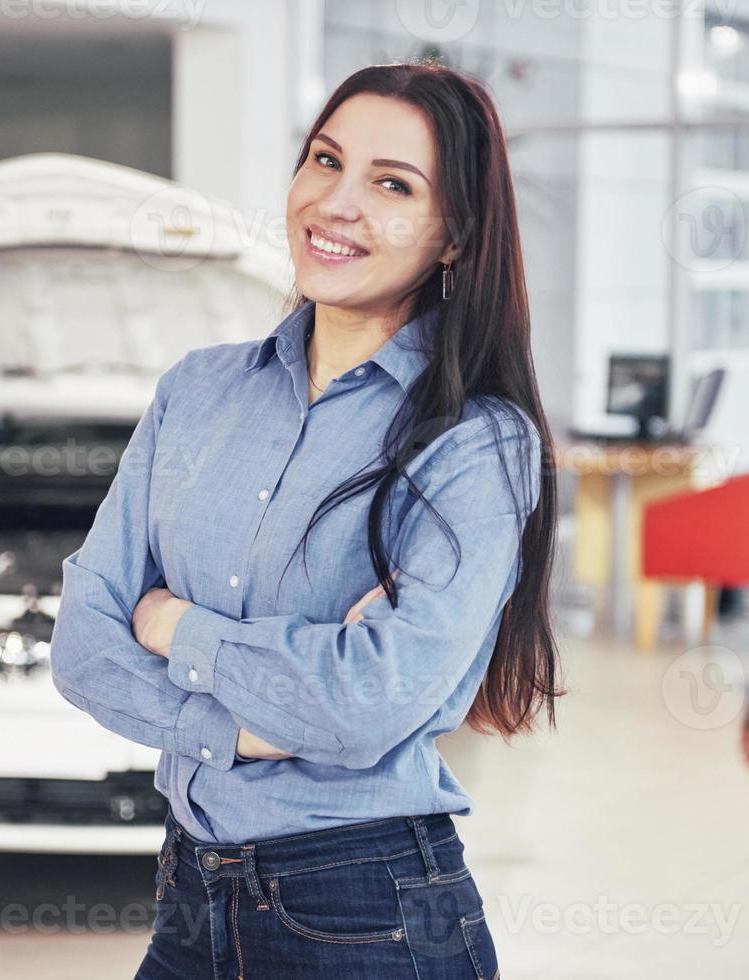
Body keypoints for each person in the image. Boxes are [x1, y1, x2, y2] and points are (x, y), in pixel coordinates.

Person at [49, 61, 562, 978]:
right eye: (325, 161)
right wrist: (254, 724)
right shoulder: (197, 391)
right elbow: (83, 648)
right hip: (188, 890)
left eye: (392, 185)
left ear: (455, 238)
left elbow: (367, 704)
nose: (337, 203)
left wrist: (172, 625)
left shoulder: (475, 446)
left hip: (366, 907)